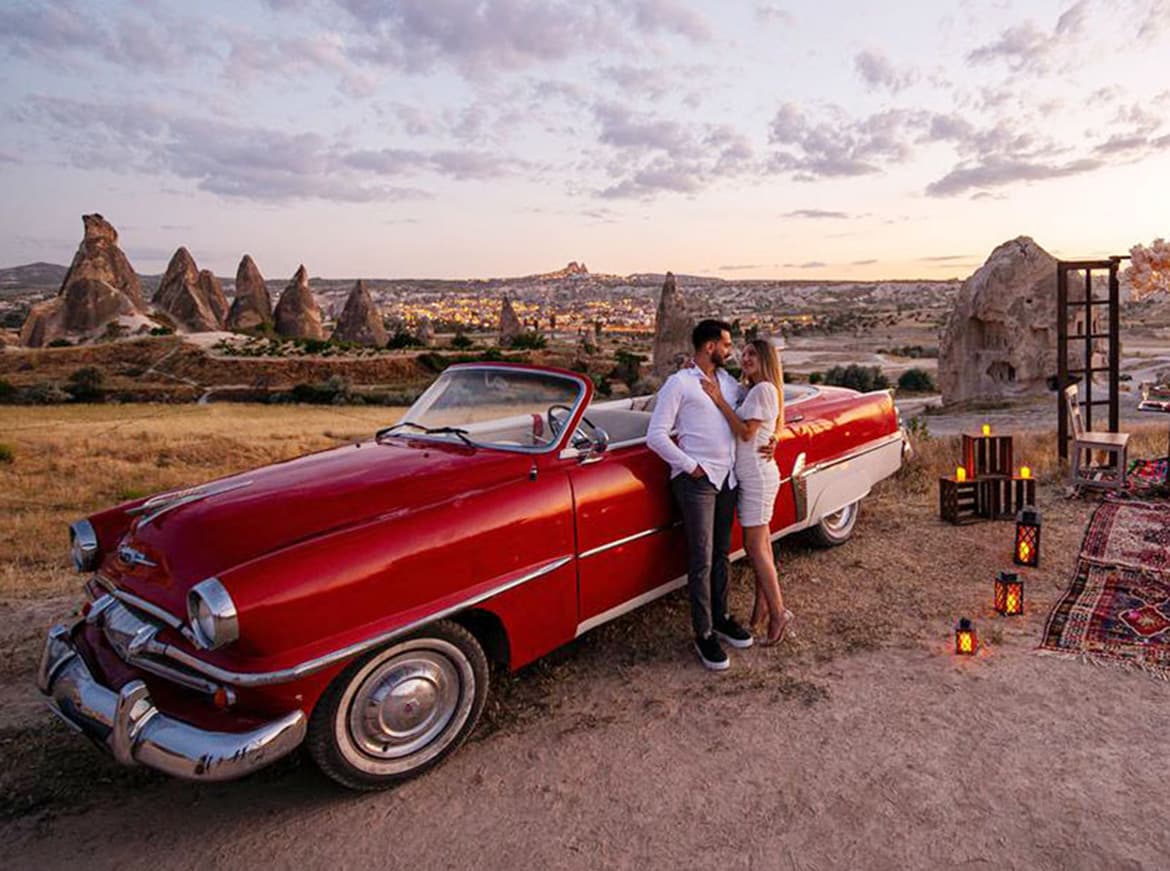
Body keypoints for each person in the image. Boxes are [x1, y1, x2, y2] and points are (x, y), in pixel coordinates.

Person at [647, 319, 754, 671]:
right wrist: (691, 466)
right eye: (726, 344)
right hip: (697, 482)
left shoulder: (728, 383)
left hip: (727, 479)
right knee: (702, 558)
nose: (730, 350)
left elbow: (752, 409)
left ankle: (722, 617)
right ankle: (704, 633)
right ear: (710, 346)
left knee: (722, 553)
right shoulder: (679, 384)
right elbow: (656, 435)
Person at [700, 338, 794, 646]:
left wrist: (718, 401)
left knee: (754, 546)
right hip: (754, 474)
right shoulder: (754, 390)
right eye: (744, 353)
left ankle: (779, 613)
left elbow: (745, 432)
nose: (745, 358)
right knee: (762, 545)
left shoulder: (763, 389)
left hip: (756, 477)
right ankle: (762, 605)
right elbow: (764, 423)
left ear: (766, 359)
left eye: (753, 354)